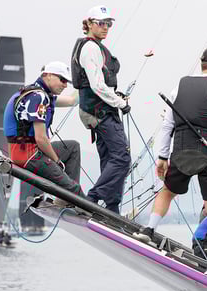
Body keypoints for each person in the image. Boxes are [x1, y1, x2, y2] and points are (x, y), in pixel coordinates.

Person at [134, 46, 207, 267]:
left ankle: (149, 229)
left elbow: (167, 126)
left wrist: (162, 157)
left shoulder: (178, 89)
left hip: (181, 152)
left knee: (167, 192)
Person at [71, 5, 131, 214]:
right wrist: (120, 103)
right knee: (122, 158)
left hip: (98, 111)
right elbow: (97, 85)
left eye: (109, 24)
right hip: (99, 112)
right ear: (89, 24)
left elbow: (100, 84)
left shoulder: (94, 47)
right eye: (101, 23)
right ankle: (92, 199)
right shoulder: (90, 48)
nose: (105, 27)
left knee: (110, 159)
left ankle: (112, 209)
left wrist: (116, 96)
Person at [3, 61, 84, 202]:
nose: (65, 85)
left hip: (26, 152)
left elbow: (72, 100)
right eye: (62, 80)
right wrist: (57, 161)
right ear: (48, 75)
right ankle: (85, 207)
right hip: (28, 155)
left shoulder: (36, 93)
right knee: (73, 189)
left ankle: (64, 201)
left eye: (67, 82)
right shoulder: (38, 97)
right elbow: (41, 139)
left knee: (73, 147)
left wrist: (87, 80)